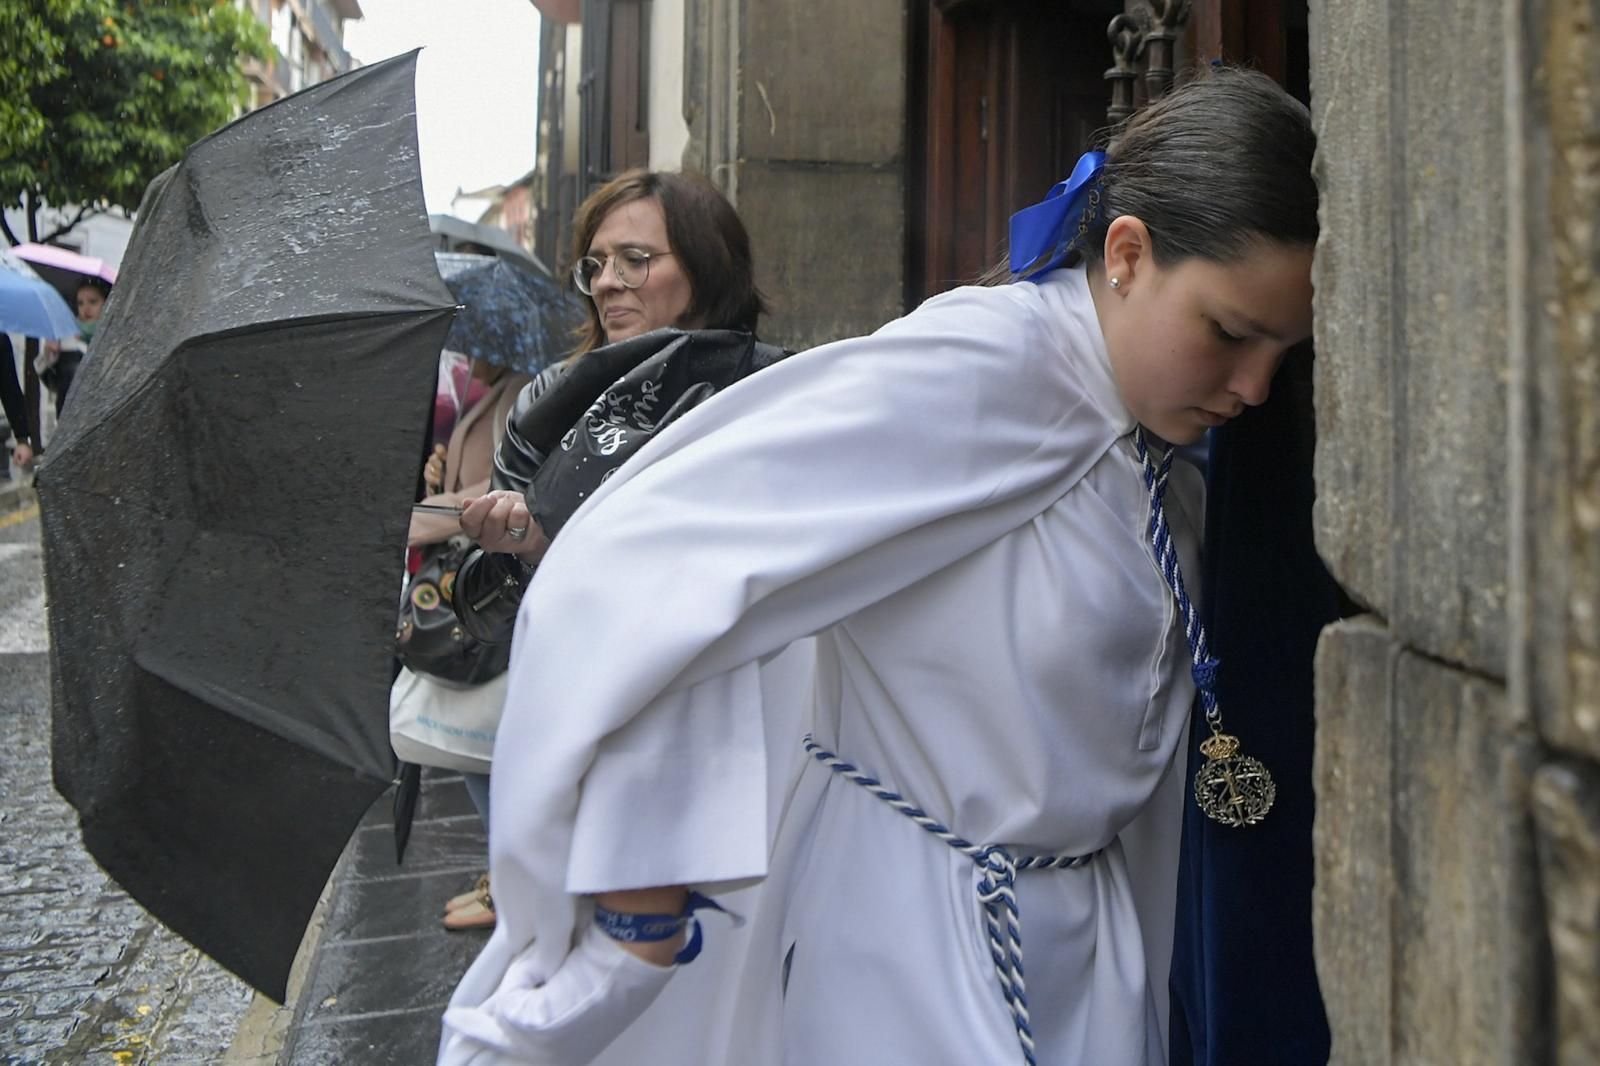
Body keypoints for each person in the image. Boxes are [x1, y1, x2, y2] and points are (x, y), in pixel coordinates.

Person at [440, 66, 1316, 1066]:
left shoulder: (1153, 432)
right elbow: (645, 558)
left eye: (1281, 354)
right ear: (1124, 253)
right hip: (912, 953)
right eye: (1229, 334)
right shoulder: (985, 369)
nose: (1251, 387)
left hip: (1089, 951)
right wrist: (639, 867)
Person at [438, 168, 770, 930]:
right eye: (595, 265)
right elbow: (482, 611)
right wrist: (521, 545)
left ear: (706, 263)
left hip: (723, 731)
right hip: (572, 727)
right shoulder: (547, 402)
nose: (608, 283)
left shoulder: (768, 392)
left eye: (635, 260)